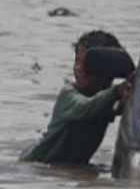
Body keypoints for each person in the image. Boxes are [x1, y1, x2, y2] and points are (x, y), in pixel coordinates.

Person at [19, 30, 133, 166]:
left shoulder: (107, 98)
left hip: (72, 163)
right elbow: (86, 107)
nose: (79, 68)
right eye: (77, 61)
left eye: (87, 64)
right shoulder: (69, 94)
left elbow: (122, 109)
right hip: (37, 159)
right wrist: (116, 92)